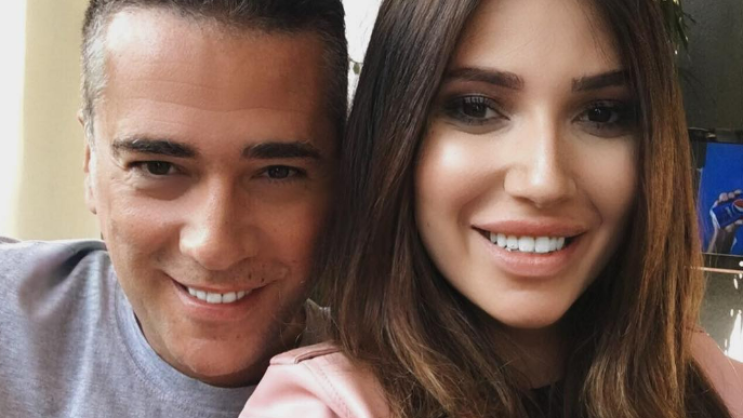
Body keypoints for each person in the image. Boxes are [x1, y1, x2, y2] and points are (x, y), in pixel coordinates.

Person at [241, 0, 743, 417]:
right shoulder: (321, 407)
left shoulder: (711, 380)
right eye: (476, 107)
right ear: (395, 133)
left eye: (601, 113)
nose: (544, 180)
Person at [0, 1, 347, 417]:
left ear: (341, 179)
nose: (213, 247)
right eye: (158, 167)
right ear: (90, 163)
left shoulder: (392, 394)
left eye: (277, 172)